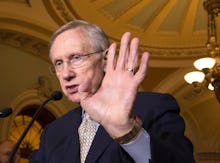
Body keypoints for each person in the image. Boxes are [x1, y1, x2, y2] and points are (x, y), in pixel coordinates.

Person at [29, 20, 195, 163]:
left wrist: (127, 132)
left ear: (106, 59)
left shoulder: (154, 106)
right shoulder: (53, 132)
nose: (66, 74)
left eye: (76, 58)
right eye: (59, 63)